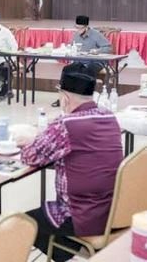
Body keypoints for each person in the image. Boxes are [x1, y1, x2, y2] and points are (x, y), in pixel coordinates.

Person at [18, 66, 123, 262]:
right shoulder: (110, 117)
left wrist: (29, 141)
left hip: (81, 215)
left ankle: (75, 254)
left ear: (65, 97)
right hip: (113, 210)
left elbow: (31, 156)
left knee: (24, 224)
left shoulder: (65, 124)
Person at [52, 15, 113, 107]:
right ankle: (64, 98)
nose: (78, 30)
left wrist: (97, 51)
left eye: (80, 28)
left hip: (95, 62)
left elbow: (108, 47)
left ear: (86, 27)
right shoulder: (76, 35)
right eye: (76, 27)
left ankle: (83, 100)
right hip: (80, 61)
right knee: (67, 69)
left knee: (85, 71)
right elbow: (71, 45)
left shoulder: (96, 35)